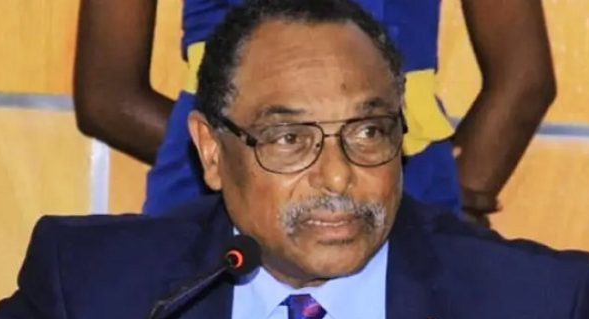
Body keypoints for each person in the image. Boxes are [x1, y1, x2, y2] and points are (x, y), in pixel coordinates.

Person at [0, 1, 589, 319]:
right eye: (289, 138)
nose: (337, 178)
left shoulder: (541, 313)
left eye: (368, 132)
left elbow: (525, 78)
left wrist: (464, 201)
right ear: (212, 151)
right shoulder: (103, 285)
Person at [73, 0, 556, 224]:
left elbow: (524, 81)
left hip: (399, 178)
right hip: (214, 188)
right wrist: (254, 156)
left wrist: (456, 194)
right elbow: (107, 97)